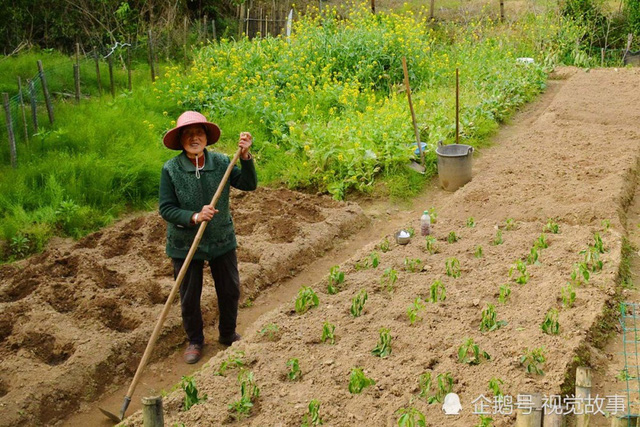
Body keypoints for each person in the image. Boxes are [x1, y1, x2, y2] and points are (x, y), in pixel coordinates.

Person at [159, 111, 257, 364]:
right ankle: (195, 341)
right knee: (190, 295)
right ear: (180, 140)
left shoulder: (222, 162)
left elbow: (248, 184)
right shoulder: (171, 169)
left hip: (221, 237)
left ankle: (227, 333)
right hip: (185, 243)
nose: (194, 138)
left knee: (230, 289)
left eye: (199, 133)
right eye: (188, 134)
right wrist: (194, 216)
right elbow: (166, 208)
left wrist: (245, 157)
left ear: (206, 138)